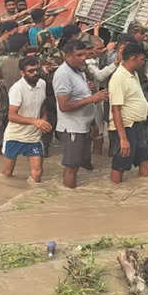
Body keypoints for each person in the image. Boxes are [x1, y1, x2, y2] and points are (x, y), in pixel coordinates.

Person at [53, 40, 109, 188]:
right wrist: (92, 98)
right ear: (67, 56)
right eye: (79, 55)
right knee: (72, 167)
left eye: (84, 54)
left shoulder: (79, 70)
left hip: (83, 125)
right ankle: (69, 197)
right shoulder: (63, 74)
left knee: (78, 164)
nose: (83, 58)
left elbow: (78, 95)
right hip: (72, 127)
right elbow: (64, 106)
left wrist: (89, 92)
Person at [2, 57, 51, 182]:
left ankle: (33, 194)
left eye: (37, 70)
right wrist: (35, 121)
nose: (35, 73)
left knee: (37, 172)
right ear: (22, 73)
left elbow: (43, 105)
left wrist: (44, 119)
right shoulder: (17, 89)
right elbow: (11, 116)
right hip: (15, 136)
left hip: (33, 136)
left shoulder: (42, 84)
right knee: (7, 173)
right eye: (31, 71)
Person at [108, 42, 148, 184]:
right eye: (142, 59)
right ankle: (115, 193)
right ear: (133, 58)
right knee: (120, 164)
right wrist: (123, 139)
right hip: (126, 127)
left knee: (145, 159)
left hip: (138, 125)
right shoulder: (118, 78)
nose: (143, 62)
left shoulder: (134, 74)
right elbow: (116, 110)